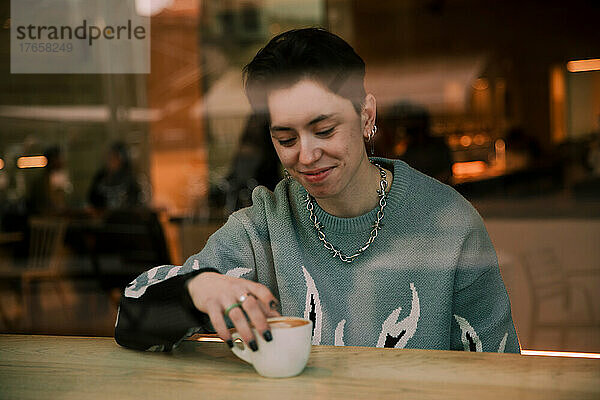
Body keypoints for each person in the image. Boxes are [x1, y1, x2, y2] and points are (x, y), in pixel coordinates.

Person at [115, 28, 520, 354]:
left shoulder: (448, 222)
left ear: (366, 116)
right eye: (286, 139)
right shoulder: (263, 229)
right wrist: (196, 288)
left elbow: (501, 371)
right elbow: (130, 322)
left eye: (324, 130)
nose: (306, 156)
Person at [88, 141, 144, 211]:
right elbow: (92, 199)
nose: (111, 161)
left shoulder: (130, 179)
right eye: (110, 157)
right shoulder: (100, 177)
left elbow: (136, 202)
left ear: (122, 160)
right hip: (104, 219)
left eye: (115, 158)